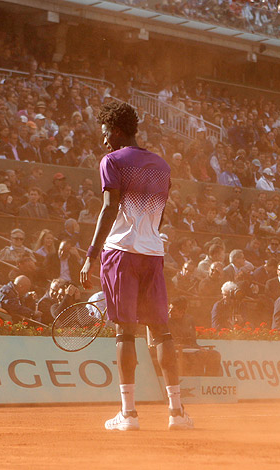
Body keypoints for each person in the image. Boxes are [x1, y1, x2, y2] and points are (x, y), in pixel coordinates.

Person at [79, 101, 192, 431]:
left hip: (121, 253)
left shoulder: (111, 160)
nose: (103, 141)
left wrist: (91, 254)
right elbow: (162, 214)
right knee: (162, 331)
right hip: (152, 253)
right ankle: (177, 413)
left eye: (104, 134)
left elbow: (109, 207)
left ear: (115, 131)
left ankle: (128, 415)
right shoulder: (161, 165)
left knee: (124, 331)